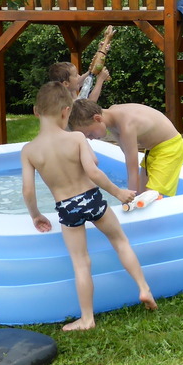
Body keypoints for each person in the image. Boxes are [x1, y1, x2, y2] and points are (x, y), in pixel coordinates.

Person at [21, 82, 157, 331]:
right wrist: (118, 192)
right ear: (66, 112)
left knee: (81, 262)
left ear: (35, 112)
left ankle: (87, 319)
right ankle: (144, 288)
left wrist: (36, 215)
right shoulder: (76, 138)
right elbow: (93, 169)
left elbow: (28, 191)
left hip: (67, 206)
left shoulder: (29, 150)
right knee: (120, 242)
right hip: (92, 198)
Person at [69, 98, 183, 197]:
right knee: (141, 195)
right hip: (152, 150)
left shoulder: (127, 127)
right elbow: (127, 155)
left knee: (151, 196)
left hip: (169, 148)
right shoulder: (111, 116)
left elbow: (132, 171)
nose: (90, 138)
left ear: (97, 119)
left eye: (89, 134)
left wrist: (129, 200)